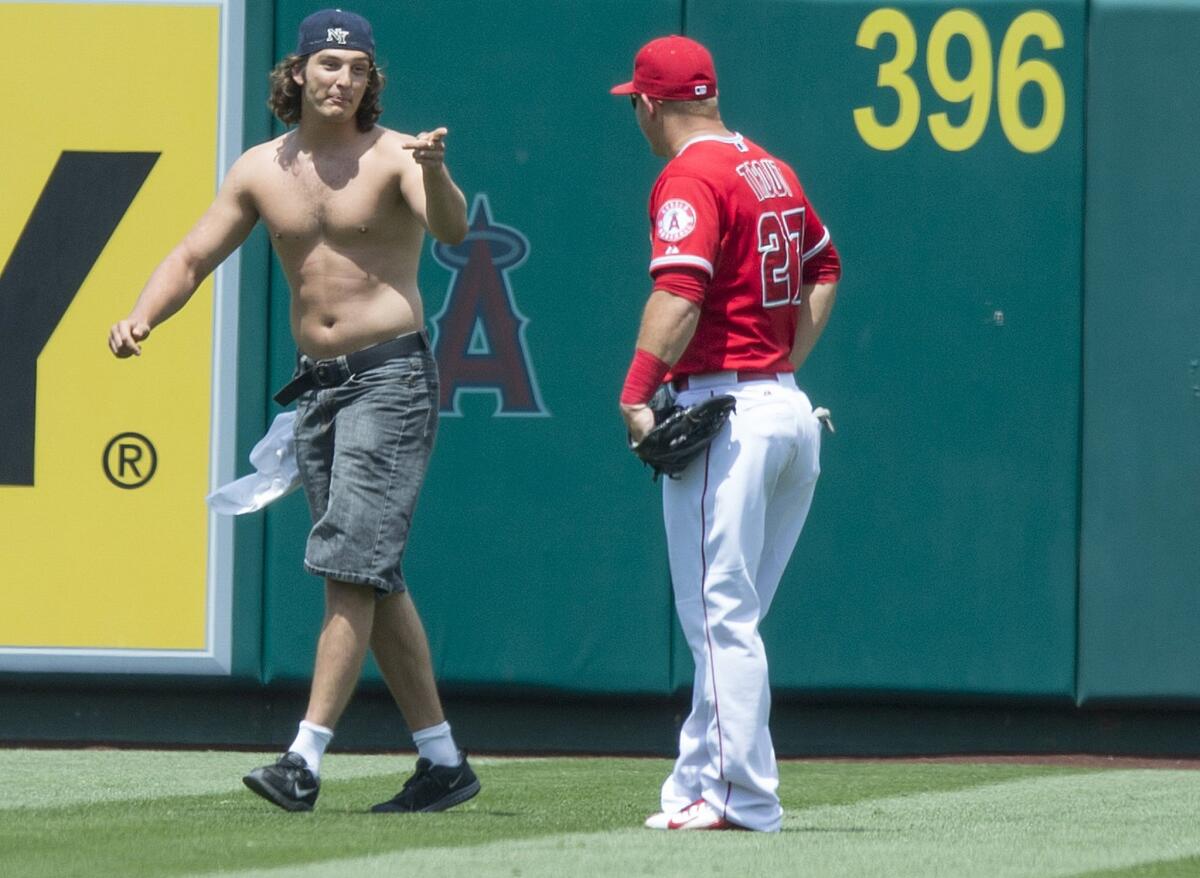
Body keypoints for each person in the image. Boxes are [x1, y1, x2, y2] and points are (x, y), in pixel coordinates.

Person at [108, 8, 480, 814]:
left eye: (356, 68)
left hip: (389, 379)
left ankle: (303, 758)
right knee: (371, 572)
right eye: (328, 65)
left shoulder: (395, 156)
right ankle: (443, 762)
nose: (342, 79)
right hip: (319, 387)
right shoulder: (260, 168)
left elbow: (449, 229)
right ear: (299, 73)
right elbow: (192, 254)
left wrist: (439, 171)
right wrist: (143, 314)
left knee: (350, 563)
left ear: (370, 81)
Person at [611, 36, 842, 832]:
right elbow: (825, 264)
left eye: (634, 104)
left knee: (718, 617)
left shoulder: (690, 174)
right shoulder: (766, 164)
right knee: (730, 618)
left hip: (730, 417)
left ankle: (743, 796)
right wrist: (779, 367)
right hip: (783, 411)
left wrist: (638, 393)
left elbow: (679, 292)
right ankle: (699, 784)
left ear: (649, 104)